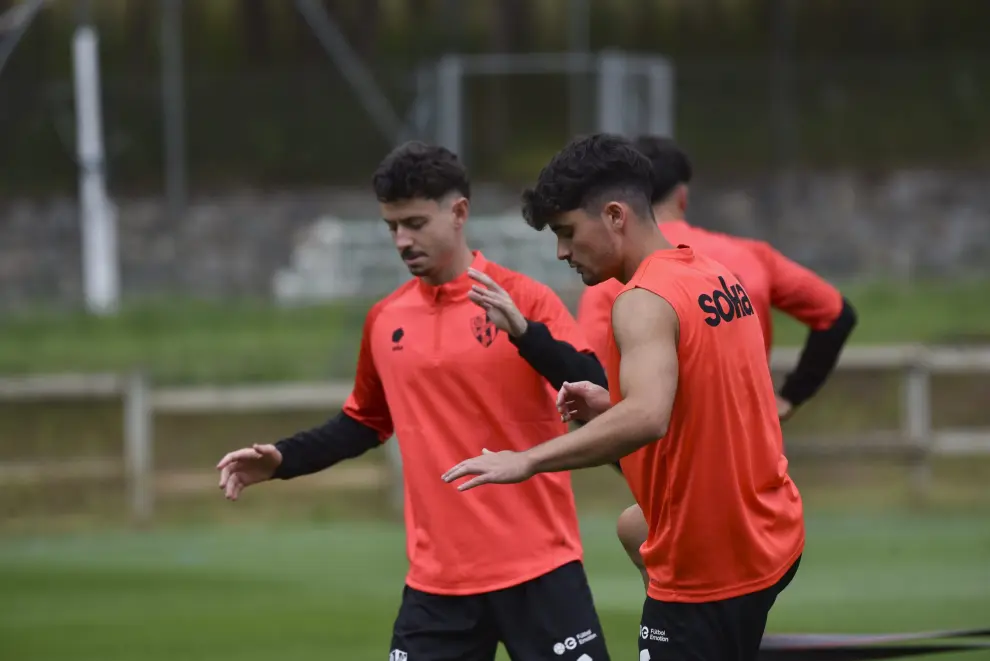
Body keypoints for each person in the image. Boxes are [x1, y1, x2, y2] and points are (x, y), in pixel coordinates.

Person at [216, 141, 611, 661]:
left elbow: (594, 385)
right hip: (438, 584)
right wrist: (284, 459)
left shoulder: (526, 300)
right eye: (392, 227)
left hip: (539, 567)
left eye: (416, 223)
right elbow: (363, 423)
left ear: (459, 213)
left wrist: (523, 332)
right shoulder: (386, 319)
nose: (402, 240)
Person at [443, 133, 805, 661]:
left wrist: (526, 460)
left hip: (709, 572)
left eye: (567, 233)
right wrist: (611, 407)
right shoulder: (714, 275)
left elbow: (649, 418)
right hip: (771, 532)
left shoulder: (640, 300)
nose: (562, 252)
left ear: (615, 216)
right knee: (636, 527)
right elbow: (704, 408)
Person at [577, 135, 857, 588]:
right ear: (683, 196)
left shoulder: (618, 276)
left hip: (670, 464)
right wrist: (789, 397)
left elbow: (586, 369)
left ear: (619, 206)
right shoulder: (744, 256)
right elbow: (837, 315)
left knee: (668, 563)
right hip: (752, 459)